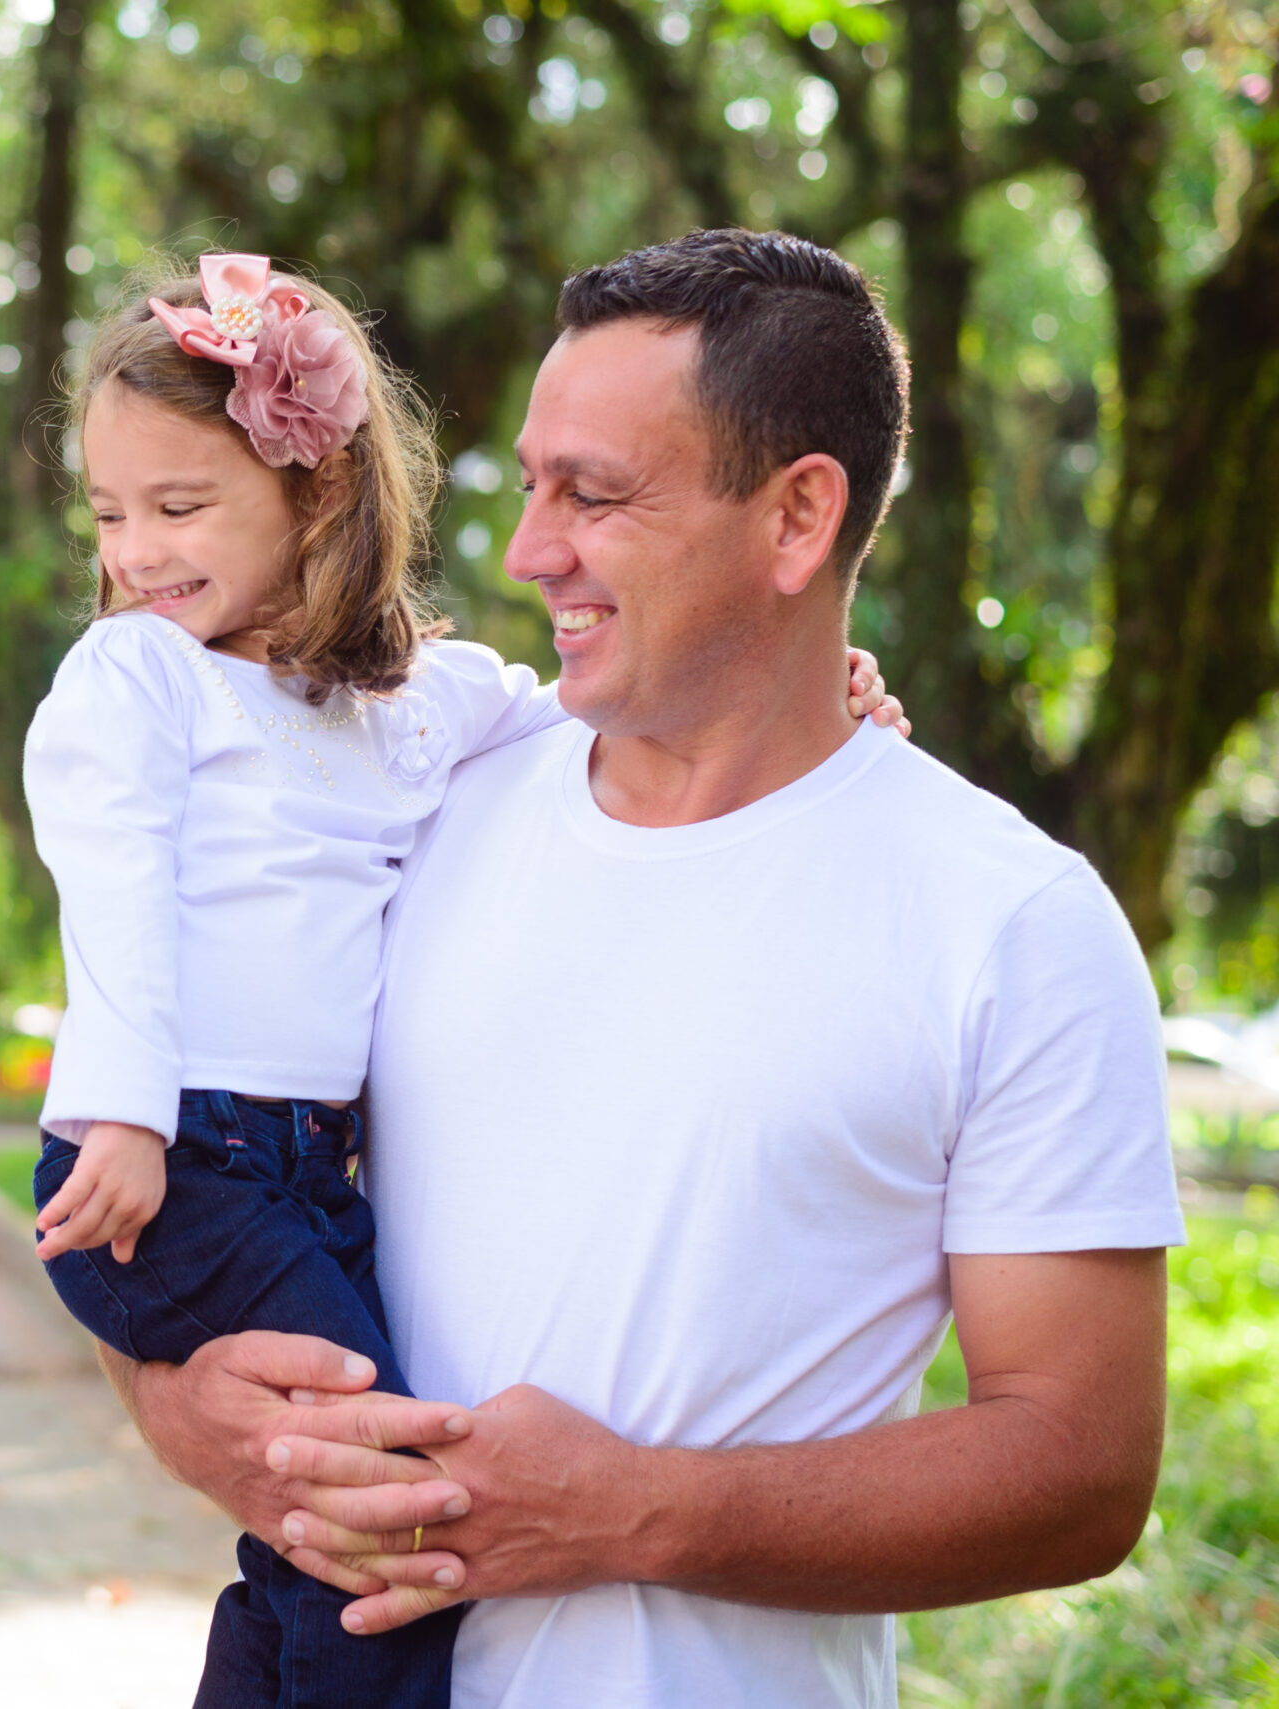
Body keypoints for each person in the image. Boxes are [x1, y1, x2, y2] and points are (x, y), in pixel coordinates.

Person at [100, 229, 1183, 1709]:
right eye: (534, 483)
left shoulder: (1012, 925)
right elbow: (187, 1159)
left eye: (594, 495)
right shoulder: (423, 803)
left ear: (800, 519)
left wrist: (635, 1513)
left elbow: (1079, 1469)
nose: (529, 549)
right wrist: (175, 1407)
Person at [21, 251, 903, 1708]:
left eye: (181, 509)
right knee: (383, 1514)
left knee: (326, 1521)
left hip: (313, 1168)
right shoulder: (139, 679)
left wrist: (834, 687)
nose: (135, 554)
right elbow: (110, 890)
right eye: (111, 513)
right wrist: (120, 1114)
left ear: (317, 494)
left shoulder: (420, 702)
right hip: (181, 1153)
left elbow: (602, 708)